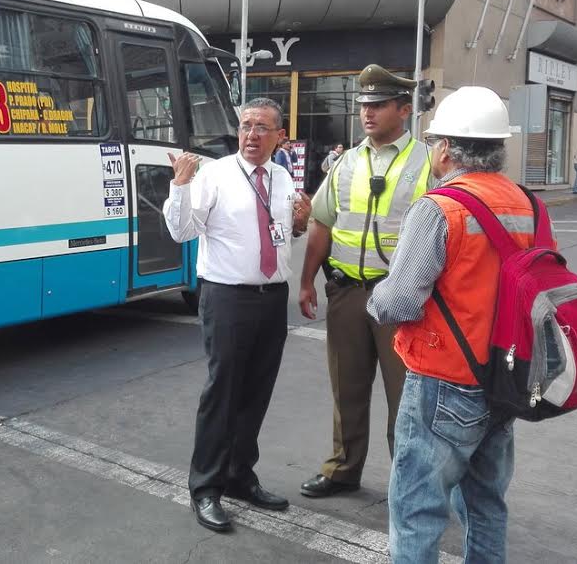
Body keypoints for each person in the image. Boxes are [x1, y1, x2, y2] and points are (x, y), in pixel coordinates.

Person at [367, 86, 548, 562]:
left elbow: (401, 301)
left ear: (446, 149)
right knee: (486, 504)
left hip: (443, 381)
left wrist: (374, 298)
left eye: (432, 144)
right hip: (503, 377)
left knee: (416, 509)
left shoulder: (440, 207)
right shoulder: (525, 202)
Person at [163, 97, 311, 532]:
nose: (251, 134)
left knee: (256, 392)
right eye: (246, 125)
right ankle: (205, 487)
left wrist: (300, 223)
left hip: (272, 297)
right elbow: (182, 231)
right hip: (227, 296)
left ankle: (240, 475)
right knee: (222, 392)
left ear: (279, 136)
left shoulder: (283, 177)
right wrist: (180, 186)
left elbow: (283, 233)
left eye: (263, 127)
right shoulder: (215, 174)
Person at [297, 64, 432, 499]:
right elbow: (321, 223)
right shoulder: (345, 163)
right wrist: (306, 283)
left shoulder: (428, 161)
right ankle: (342, 469)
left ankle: (408, 481)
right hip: (347, 292)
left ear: (404, 110)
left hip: (401, 299)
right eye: (363, 106)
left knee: (406, 397)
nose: (368, 113)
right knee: (347, 387)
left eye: (378, 105)